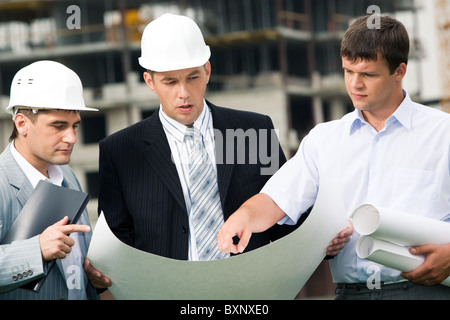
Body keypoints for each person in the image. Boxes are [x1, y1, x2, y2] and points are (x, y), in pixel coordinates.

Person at [85, 13, 347, 291]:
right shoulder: (121, 150)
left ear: (207, 71)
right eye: (170, 82)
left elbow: (285, 216)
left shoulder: (254, 131)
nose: (184, 92)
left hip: (249, 295)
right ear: (150, 81)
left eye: (193, 77)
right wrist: (100, 278)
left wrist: (324, 240)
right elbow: (117, 243)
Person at [217, 15, 450, 300]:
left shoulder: (443, 135)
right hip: (348, 294)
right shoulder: (323, 140)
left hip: (424, 292)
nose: (355, 84)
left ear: (399, 71)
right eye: (348, 71)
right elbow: (278, 198)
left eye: (368, 74)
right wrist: (244, 217)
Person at [0, 60, 99, 299]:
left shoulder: (67, 176)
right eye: (58, 126)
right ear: (22, 123)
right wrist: (35, 251)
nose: (72, 137)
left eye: (74, 126)